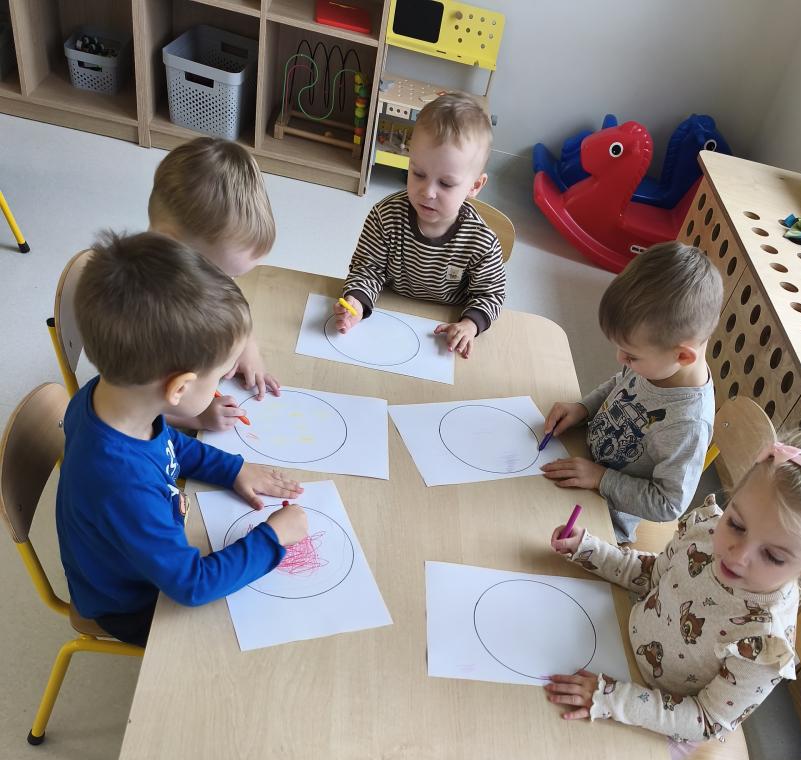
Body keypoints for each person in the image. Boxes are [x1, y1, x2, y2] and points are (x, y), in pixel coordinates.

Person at [546, 429, 801, 760]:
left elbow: (706, 719)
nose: (737, 555)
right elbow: (653, 575)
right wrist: (588, 550)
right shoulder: (706, 531)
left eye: (773, 556)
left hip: (664, 721)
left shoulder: (765, 642)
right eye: (737, 525)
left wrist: (614, 698)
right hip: (621, 648)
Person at [56, 231, 307, 648]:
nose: (222, 385)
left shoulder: (109, 398)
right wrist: (272, 539)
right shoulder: (123, 484)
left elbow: (167, 442)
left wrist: (232, 469)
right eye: (219, 376)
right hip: (131, 605)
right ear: (179, 388)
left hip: (138, 558)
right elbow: (192, 585)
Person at [540, 242, 723, 544]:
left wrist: (601, 478)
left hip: (602, 518)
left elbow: (668, 504)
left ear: (683, 356)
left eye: (631, 356)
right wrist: (583, 408)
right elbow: (620, 384)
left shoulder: (688, 425)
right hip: (581, 460)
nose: (620, 360)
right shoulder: (658, 365)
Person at [334, 92, 506, 359]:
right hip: (389, 315)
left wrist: (470, 324)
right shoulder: (385, 216)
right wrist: (356, 301)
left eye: (446, 183)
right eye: (418, 174)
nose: (428, 192)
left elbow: (490, 293)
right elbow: (367, 269)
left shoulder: (481, 241)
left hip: (443, 328)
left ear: (474, 186)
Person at [148, 136, 280, 422]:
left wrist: (248, 348)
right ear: (170, 244)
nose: (228, 284)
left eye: (233, 276)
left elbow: (230, 299)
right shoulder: (144, 316)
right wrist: (197, 418)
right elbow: (134, 405)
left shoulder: (196, 272)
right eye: (223, 274)